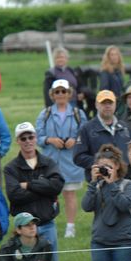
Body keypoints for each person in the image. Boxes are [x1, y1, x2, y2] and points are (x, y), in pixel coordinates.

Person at [4, 122, 64, 261]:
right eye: (23, 138)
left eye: (31, 137)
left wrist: (28, 185)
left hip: (47, 225)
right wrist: (43, 188)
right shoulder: (11, 168)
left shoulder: (48, 162)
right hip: (24, 232)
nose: (28, 141)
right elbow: (14, 195)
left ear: (36, 138)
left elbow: (57, 185)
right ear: (18, 141)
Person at [35, 79, 87, 239]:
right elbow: (37, 137)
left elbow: (85, 135)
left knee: (69, 194)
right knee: (49, 194)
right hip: (50, 160)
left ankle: (70, 227)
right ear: (52, 95)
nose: (60, 95)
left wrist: (74, 140)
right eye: (57, 92)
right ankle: (48, 224)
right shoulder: (45, 114)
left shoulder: (78, 113)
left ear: (69, 94)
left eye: (63, 91)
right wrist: (50, 140)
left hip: (71, 161)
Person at [74, 90, 131, 180]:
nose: (107, 106)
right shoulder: (86, 129)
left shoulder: (125, 127)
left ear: (115, 104)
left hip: (125, 180)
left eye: (110, 103)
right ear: (96, 105)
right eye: (103, 103)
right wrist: (102, 163)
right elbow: (78, 157)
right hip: (99, 180)